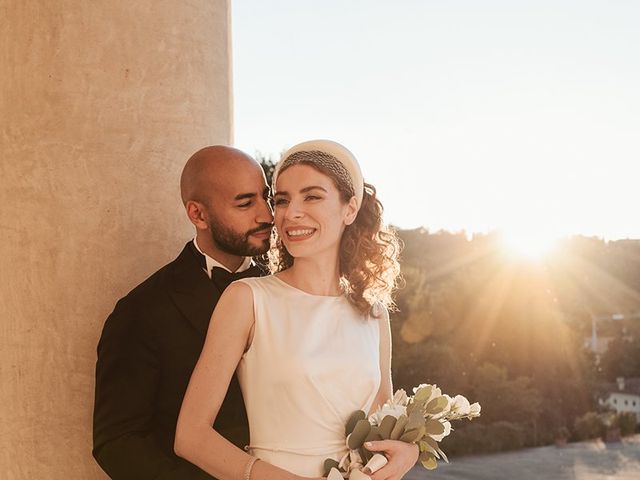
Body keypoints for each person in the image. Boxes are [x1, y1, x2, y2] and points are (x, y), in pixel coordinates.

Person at [175, 140, 419, 480]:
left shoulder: (374, 312)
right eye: (283, 200)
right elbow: (190, 437)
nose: (291, 213)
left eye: (312, 196)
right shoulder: (247, 298)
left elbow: (383, 422)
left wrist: (409, 452)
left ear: (350, 209)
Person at [93, 146, 273, 479]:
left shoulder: (285, 290)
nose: (266, 215)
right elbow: (117, 441)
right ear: (198, 215)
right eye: (245, 203)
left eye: (267, 197)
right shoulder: (141, 311)